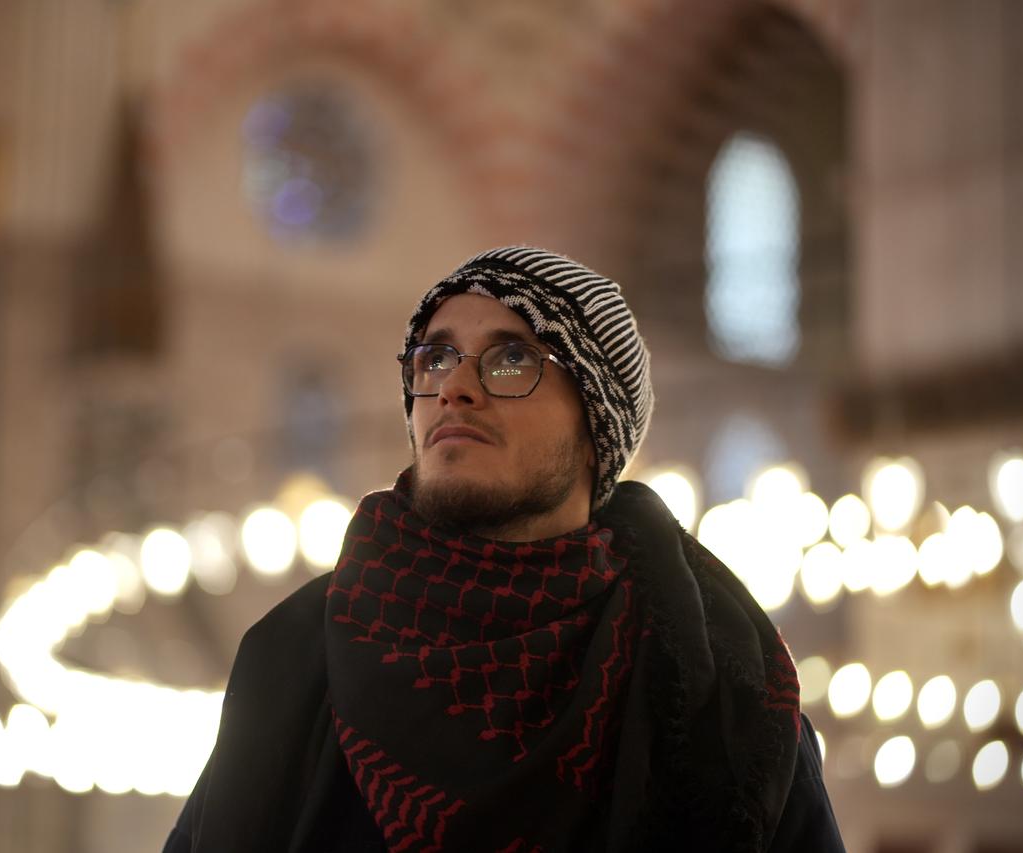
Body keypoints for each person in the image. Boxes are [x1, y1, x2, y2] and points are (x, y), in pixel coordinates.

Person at [163, 247, 845, 852]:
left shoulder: (723, 688)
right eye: (435, 357)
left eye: (512, 356)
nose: (454, 387)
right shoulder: (296, 654)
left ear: (593, 426)